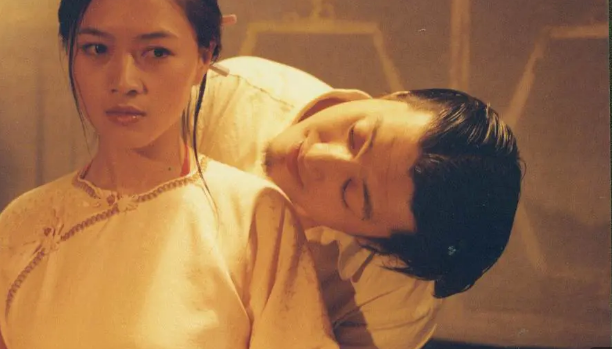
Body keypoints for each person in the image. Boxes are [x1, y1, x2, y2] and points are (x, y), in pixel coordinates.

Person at [0, 0, 339, 349]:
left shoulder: (253, 217)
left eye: (155, 52)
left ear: (204, 57)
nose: (124, 81)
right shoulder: (24, 223)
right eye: (96, 48)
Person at [198, 56, 523, 349]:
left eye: (350, 192)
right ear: (393, 98)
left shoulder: (393, 303)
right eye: (356, 135)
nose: (316, 156)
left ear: (373, 242)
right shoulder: (228, 94)